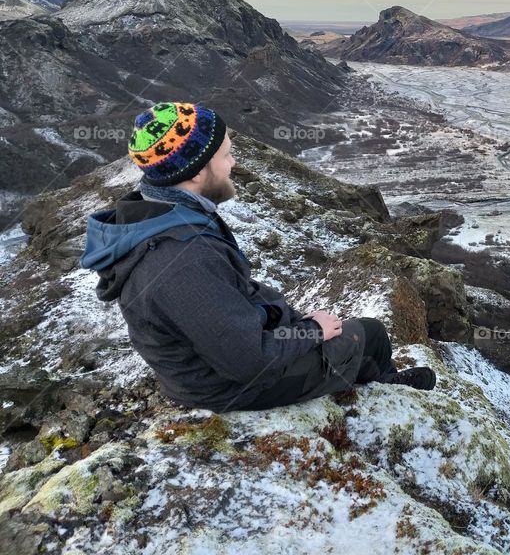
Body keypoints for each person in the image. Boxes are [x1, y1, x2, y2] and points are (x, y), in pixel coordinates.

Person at [80, 101, 436, 413]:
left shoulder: (164, 214)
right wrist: (311, 331)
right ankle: (386, 388)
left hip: (210, 364)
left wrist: (291, 322)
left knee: (332, 328)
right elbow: (248, 361)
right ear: (199, 171)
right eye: (226, 155)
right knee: (369, 334)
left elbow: (227, 299)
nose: (234, 163)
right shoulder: (181, 260)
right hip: (229, 388)